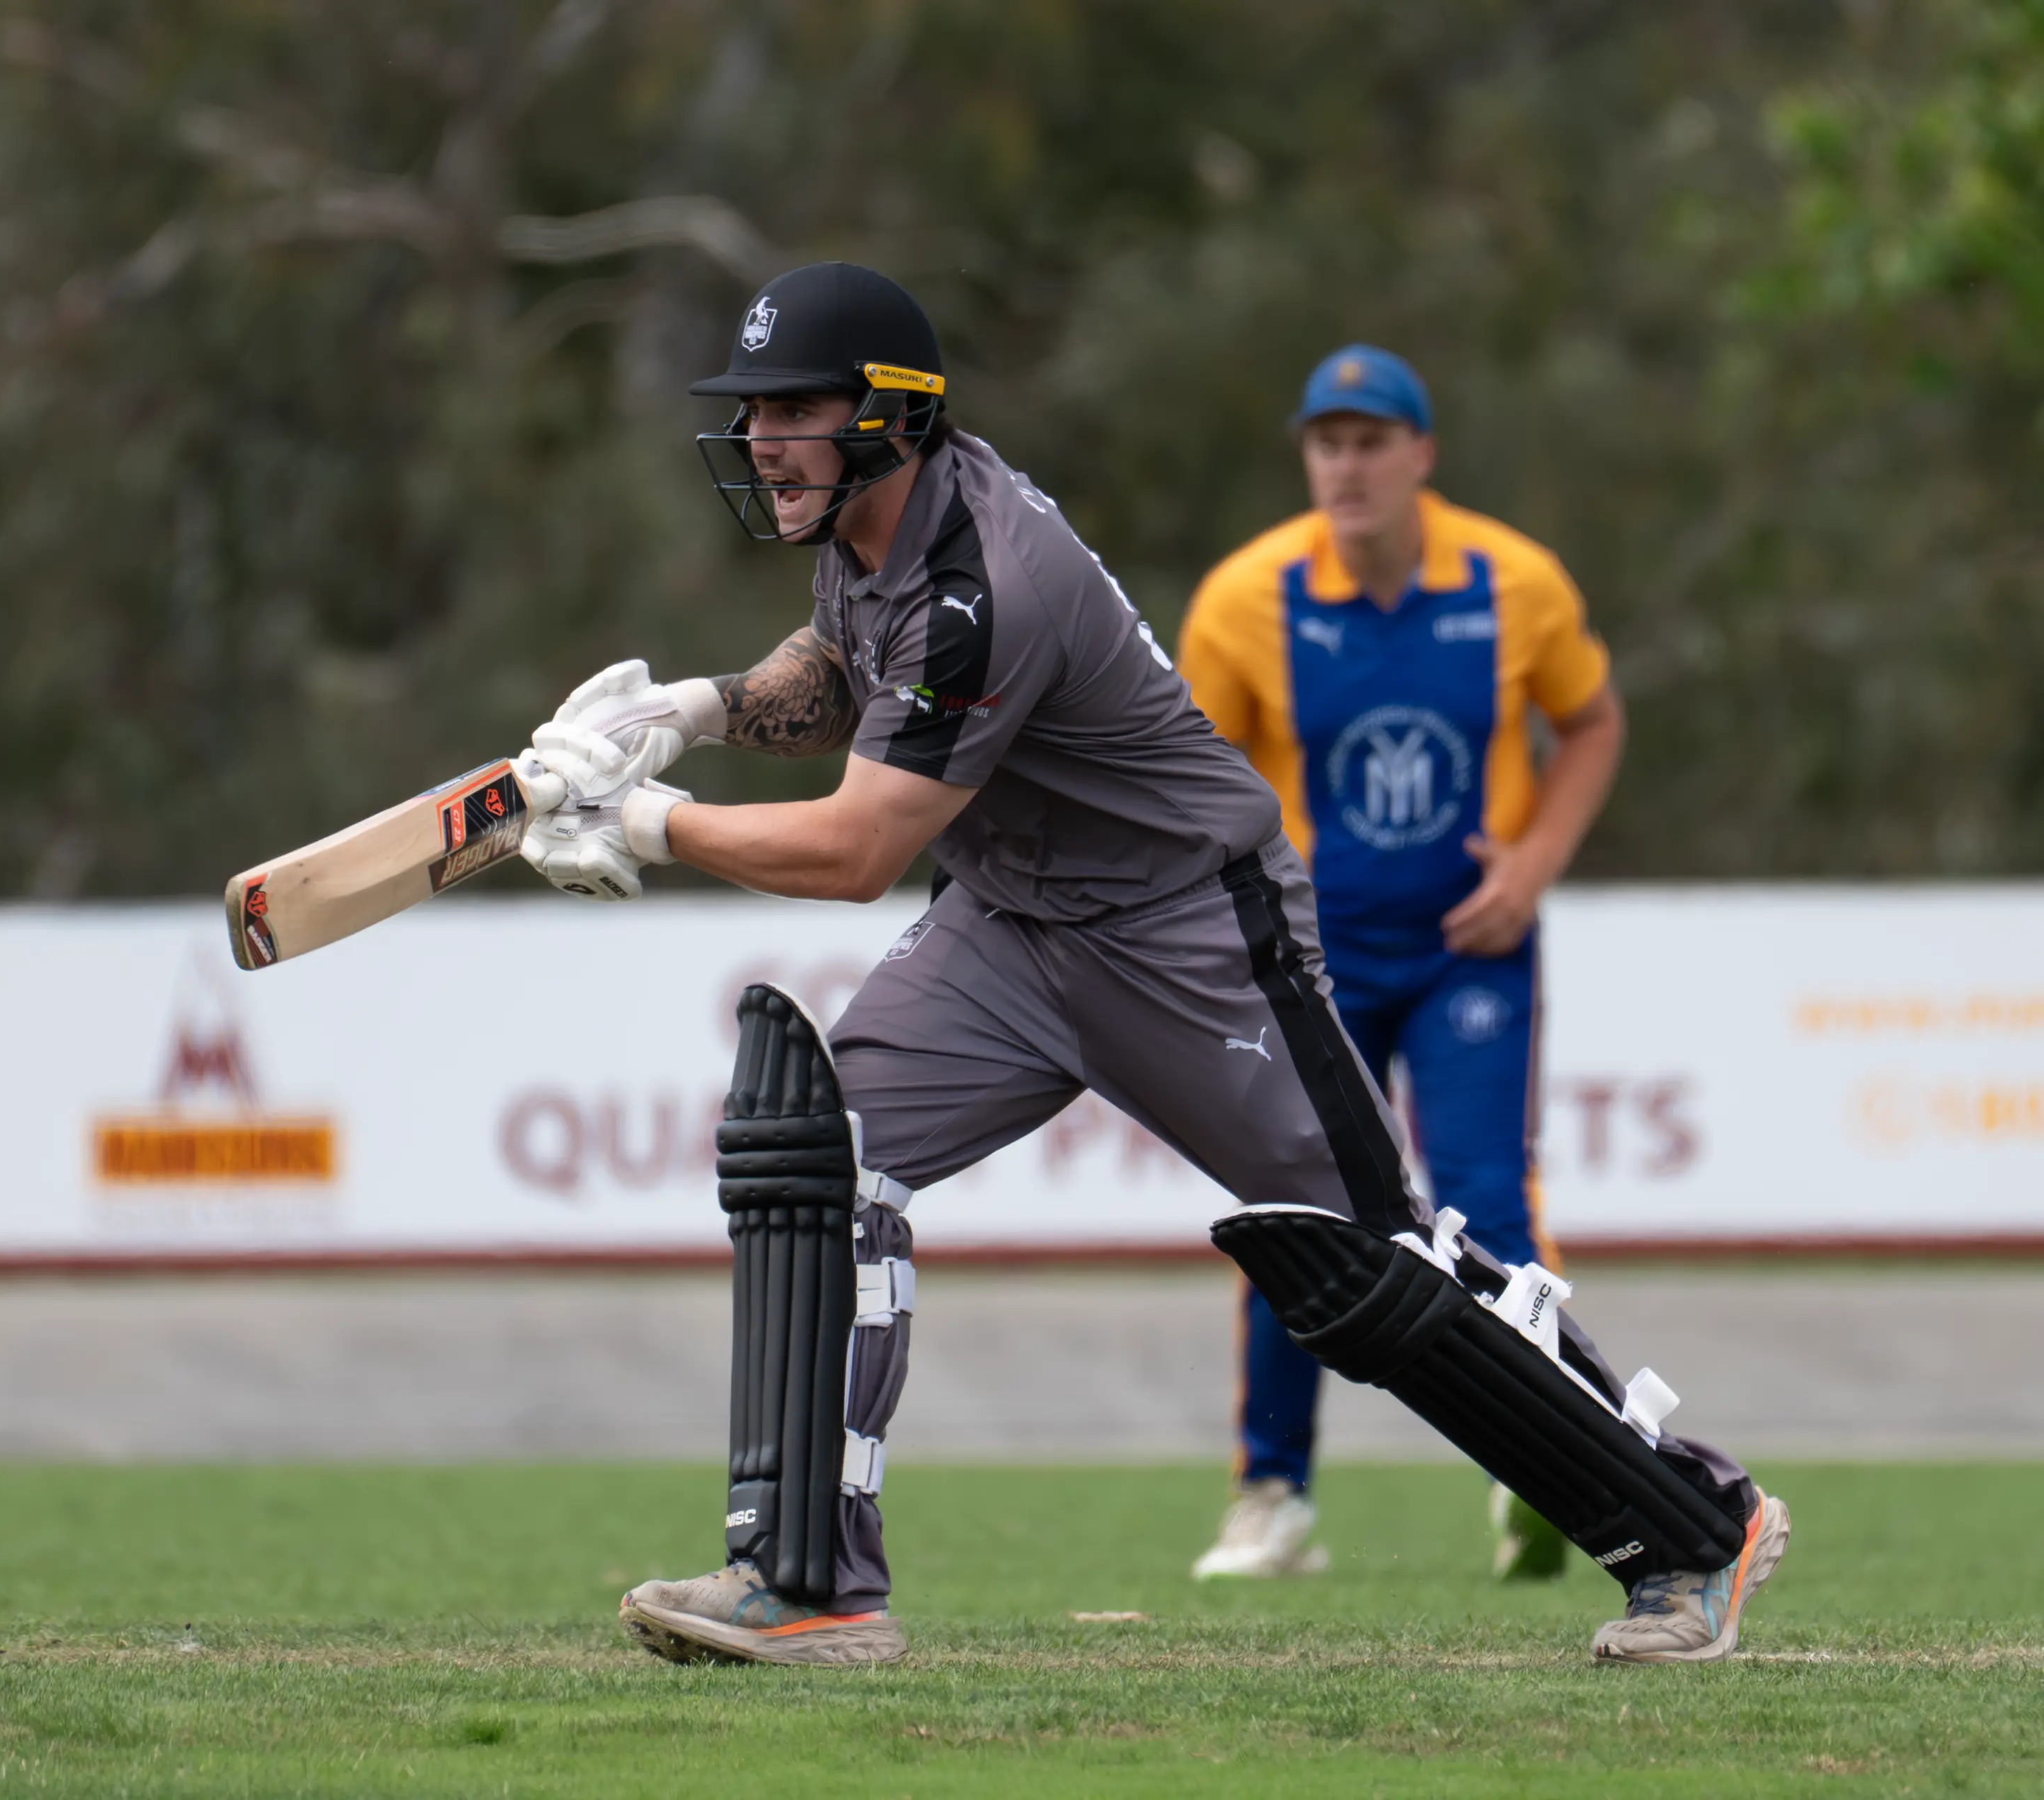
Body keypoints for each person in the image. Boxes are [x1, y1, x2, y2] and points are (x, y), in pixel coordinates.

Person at [510, 263, 1785, 1667]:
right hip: (1008, 928)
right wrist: (684, 713)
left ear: (893, 413)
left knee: (1389, 1268)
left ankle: (1693, 1529)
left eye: (795, 409)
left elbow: (861, 847)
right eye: (752, 410)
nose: (762, 438)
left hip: (1188, 934)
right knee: (820, 1155)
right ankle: (807, 1580)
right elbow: (834, 664)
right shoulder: (867, 525)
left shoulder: (989, 578)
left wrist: (644, 821)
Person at [1172, 347, 1625, 1583]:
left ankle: (1553, 1470)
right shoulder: (1244, 601)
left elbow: (1591, 721)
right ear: (1307, 457)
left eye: (1373, 441)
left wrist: (1530, 867)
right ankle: (1272, 1498)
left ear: (1421, 455)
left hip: (1473, 949)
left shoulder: (1512, 581)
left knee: (1486, 1195)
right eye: (1329, 442)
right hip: (1313, 965)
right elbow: (1187, 769)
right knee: (1300, 1216)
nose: (1349, 464)